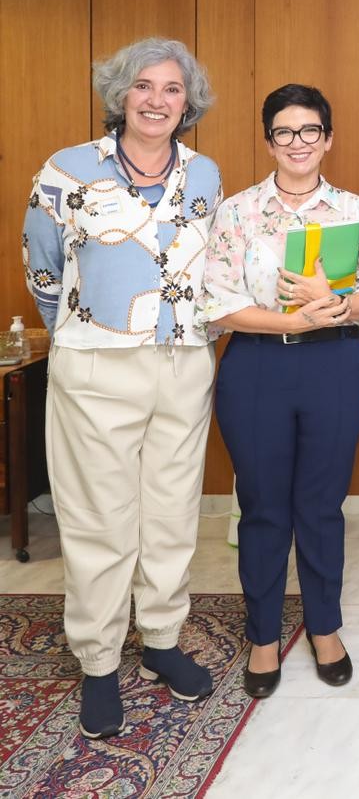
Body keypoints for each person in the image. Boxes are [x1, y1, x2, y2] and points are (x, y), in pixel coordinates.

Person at [23, 37, 220, 739]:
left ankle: (162, 640)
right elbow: (43, 271)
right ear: (120, 94)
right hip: (97, 366)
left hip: (184, 362)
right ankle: (100, 662)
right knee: (99, 521)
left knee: (171, 514)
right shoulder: (67, 170)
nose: (157, 100)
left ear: (187, 102)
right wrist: (86, 327)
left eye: (172, 89)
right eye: (143, 86)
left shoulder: (205, 174)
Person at [202, 84, 359, 697]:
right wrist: (292, 320)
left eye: (310, 130)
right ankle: (262, 635)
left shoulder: (352, 209)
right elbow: (218, 302)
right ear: (269, 142)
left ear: (327, 139)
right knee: (262, 506)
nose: (298, 142)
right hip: (258, 366)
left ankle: (324, 628)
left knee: (320, 504)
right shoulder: (237, 212)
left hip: (335, 364)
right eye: (284, 132)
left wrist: (334, 304)